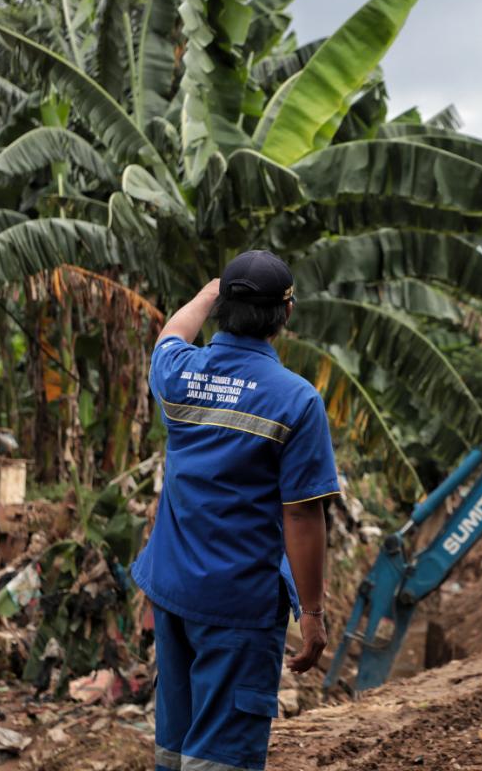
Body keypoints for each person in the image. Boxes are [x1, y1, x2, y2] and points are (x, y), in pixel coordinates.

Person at [131, 250, 339, 771]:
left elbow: (170, 335)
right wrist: (311, 615)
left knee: (174, 746)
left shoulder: (180, 374)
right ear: (285, 315)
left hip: (173, 593)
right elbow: (302, 517)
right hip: (238, 604)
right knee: (221, 755)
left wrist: (206, 292)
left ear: (223, 307)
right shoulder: (296, 400)